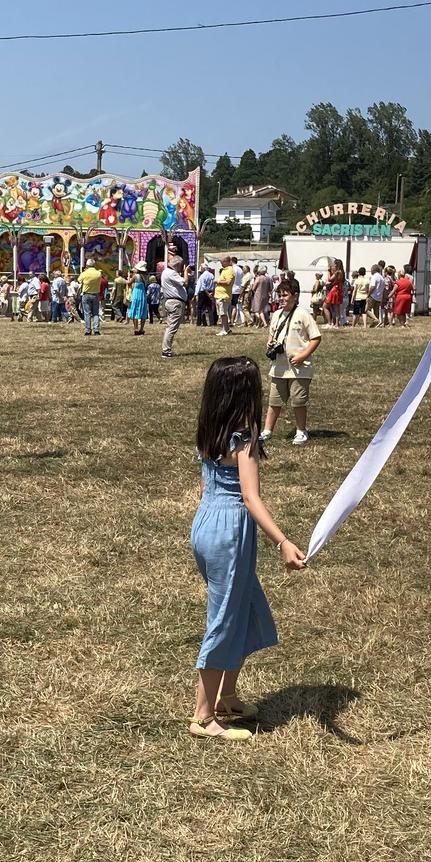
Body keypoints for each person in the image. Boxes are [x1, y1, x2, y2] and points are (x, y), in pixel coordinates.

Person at [188, 354, 306, 741]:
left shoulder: (211, 428)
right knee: (224, 618)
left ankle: (228, 697)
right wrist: (284, 542)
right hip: (229, 531)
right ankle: (203, 717)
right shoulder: (243, 438)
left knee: (248, 608)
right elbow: (251, 499)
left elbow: (209, 487)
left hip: (206, 525)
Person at [262, 276, 320, 445]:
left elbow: (315, 338)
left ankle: (301, 431)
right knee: (274, 400)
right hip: (279, 367)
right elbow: (272, 334)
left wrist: (303, 355)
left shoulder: (303, 315)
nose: (281, 298)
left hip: (299, 368)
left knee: (298, 401)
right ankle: (267, 430)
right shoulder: (277, 314)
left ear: (295, 296)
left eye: (285, 295)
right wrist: (270, 342)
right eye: (279, 295)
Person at [159, 251, 188, 358]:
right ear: (177, 265)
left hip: (170, 301)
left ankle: (166, 349)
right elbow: (185, 282)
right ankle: (166, 350)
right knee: (171, 328)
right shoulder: (172, 273)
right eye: (180, 266)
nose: (181, 268)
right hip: (175, 302)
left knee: (170, 326)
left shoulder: (166, 272)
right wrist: (185, 272)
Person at [78, 258, 106, 337]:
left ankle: (88, 330)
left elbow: (79, 280)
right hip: (95, 294)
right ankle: (96, 329)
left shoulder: (84, 273)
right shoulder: (98, 273)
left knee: (87, 313)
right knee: (95, 313)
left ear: (87, 265)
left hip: (86, 294)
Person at [127, 267, 151, 336]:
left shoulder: (136, 276)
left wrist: (129, 277)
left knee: (135, 310)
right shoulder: (146, 277)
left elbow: (129, 283)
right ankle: (142, 329)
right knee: (142, 311)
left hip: (136, 294)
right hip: (143, 295)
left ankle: (136, 328)